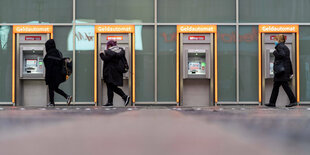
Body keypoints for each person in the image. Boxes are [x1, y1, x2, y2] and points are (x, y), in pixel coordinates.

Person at [265, 34, 297, 108]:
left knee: (285, 86)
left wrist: (275, 53)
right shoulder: (286, 47)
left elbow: (281, 55)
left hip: (281, 72)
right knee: (276, 86)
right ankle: (272, 102)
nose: (275, 41)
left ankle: (293, 100)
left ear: (279, 40)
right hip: (284, 71)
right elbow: (288, 61)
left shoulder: (280, 46)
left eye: (276, 39)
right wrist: (291, 72)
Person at [100, 40, 130, 106]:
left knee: (112, 87)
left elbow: (106, 59)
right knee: (110, 87)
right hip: (117, 73)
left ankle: (124, 96)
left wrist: (101, 54)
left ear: (110, 45)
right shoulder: (120, 50)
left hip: (110, 72)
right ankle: (110, 102)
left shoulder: (110, 52)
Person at [43, 39, 72, 107]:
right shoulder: (58, 52)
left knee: (51, 88)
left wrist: (47, 78)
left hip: (52, 75)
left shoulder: (49, 54)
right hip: (60, 75)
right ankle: (67, 96)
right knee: (55, 88)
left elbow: (48, 68)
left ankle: (52, 103)